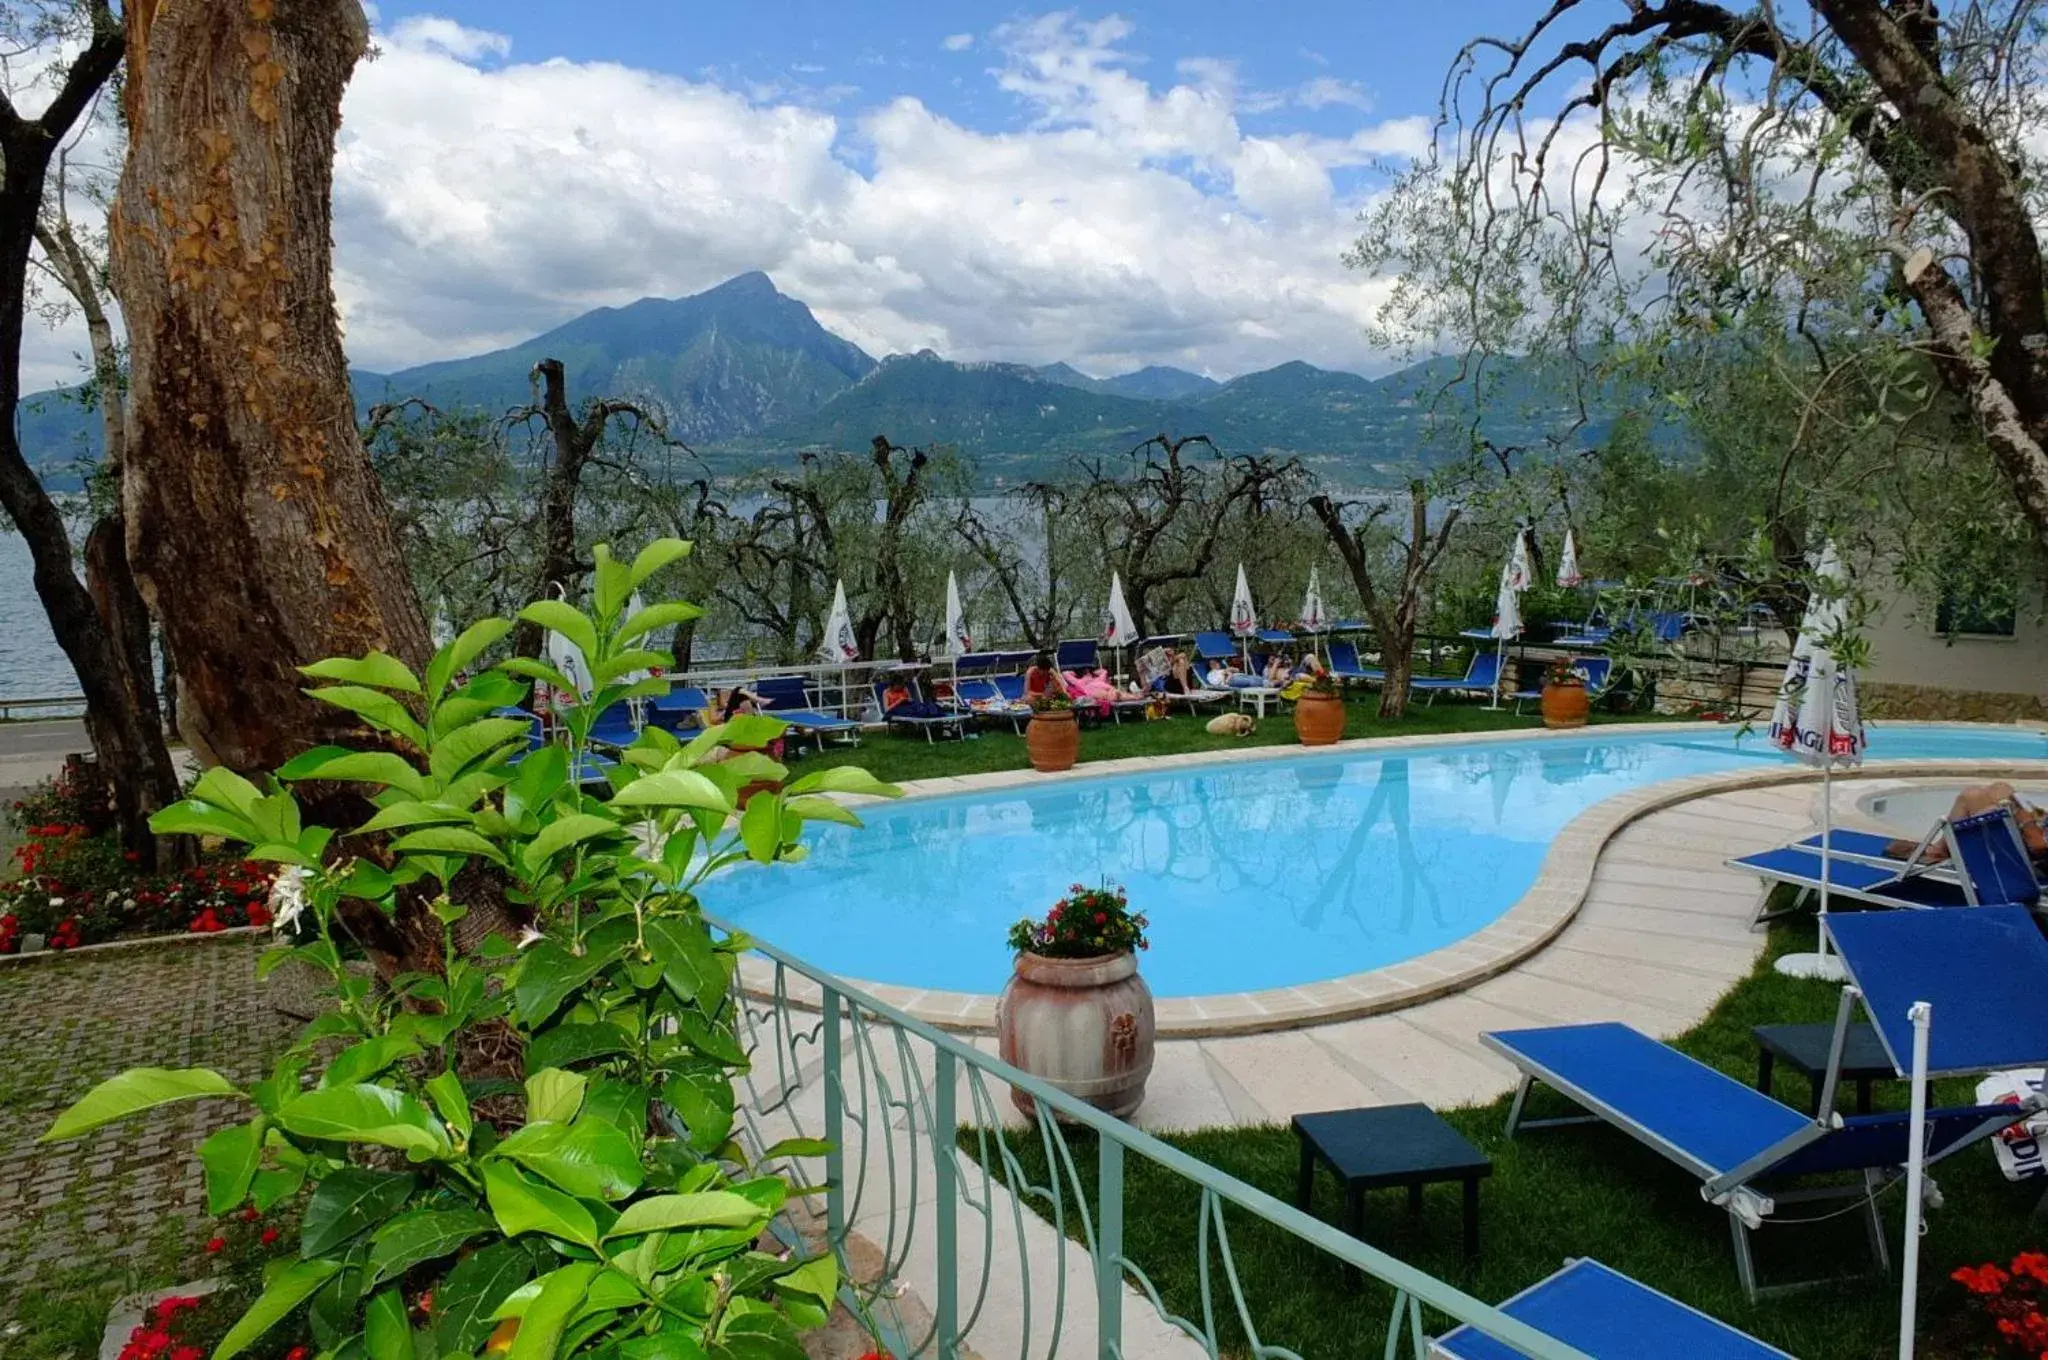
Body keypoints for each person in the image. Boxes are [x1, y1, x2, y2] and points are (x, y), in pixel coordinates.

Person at [1886, 781, 2048, 863]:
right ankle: (1942, 848)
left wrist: (2026, 821)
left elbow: (2040, 847)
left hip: (2037, 850)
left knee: (1970, 796)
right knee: (2000, 789)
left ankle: (1940, 849)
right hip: (2037, 839)